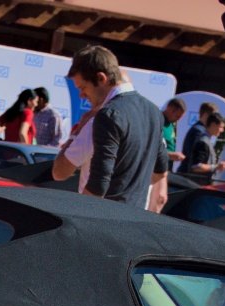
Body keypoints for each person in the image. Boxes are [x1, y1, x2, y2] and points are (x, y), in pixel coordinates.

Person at [51, 46, 167, 209]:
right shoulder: (153, 112)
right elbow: (160, 172)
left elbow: (62, 173)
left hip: (100, 217)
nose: (81, 95)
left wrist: (78, 130)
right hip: (137, 217)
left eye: (83, 88)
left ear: (101, 78)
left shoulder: (105, 116)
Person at [180, 112, 223, 181]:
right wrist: (216, 167)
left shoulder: (207, 140)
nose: (222, 130)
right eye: (221, 127)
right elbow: (196, 167)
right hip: (197, 183)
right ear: (213, 125)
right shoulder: (203, 142)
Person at [160, 99, 184, 169]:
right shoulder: (157, 121)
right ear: (170, 109)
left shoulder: (172, 124)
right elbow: (152, 148)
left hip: (167, 164)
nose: (178, 120)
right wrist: (170, 155)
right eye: (177, 116)